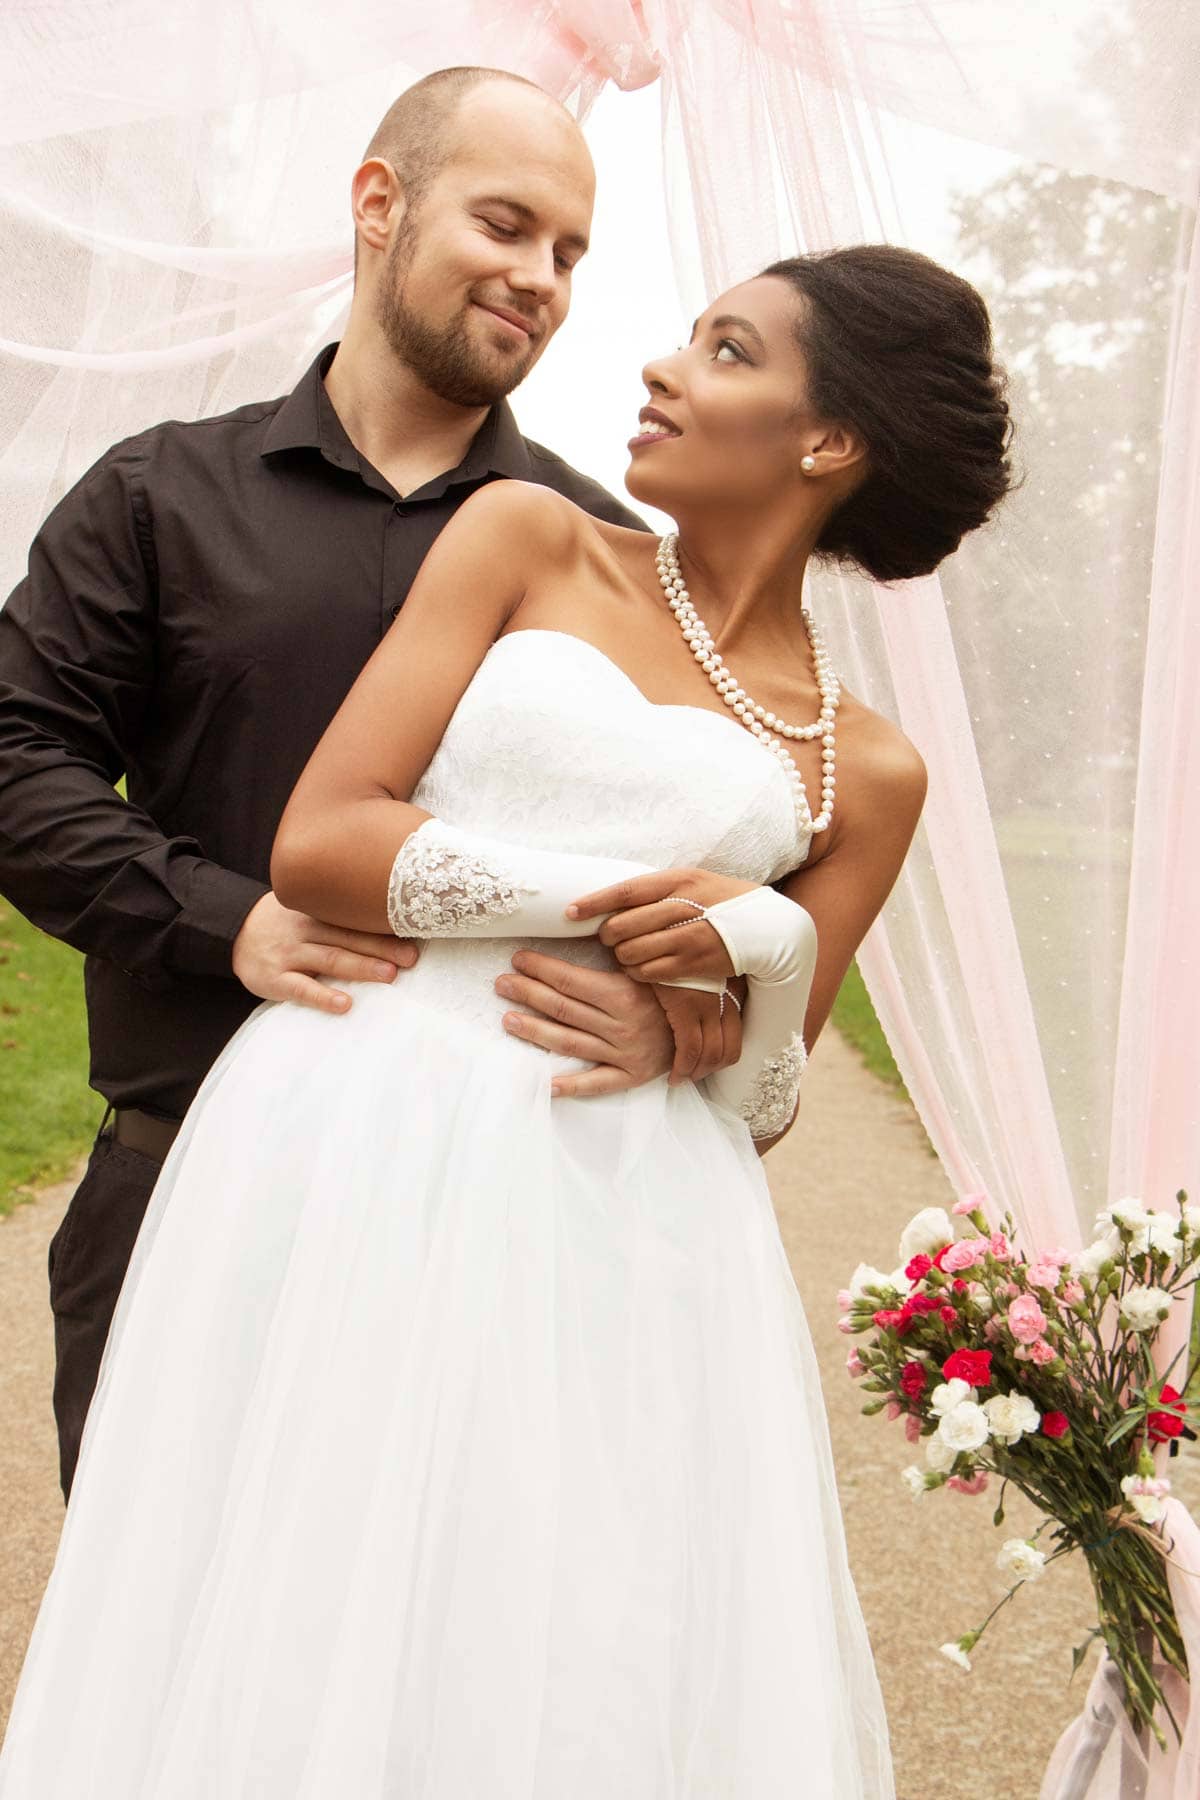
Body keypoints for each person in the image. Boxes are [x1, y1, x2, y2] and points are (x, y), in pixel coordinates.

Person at [0, 241, 1013, 1795]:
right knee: (298, 1583)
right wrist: (645, 907)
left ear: (832, 442)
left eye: (729, 351)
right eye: (686, 336)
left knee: (564, 1628)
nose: (664, 368)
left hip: (627, 1226)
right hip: (358, 1127)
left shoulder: (866, 770)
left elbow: (763, 1102)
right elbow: (328, 840)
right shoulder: (530, 536)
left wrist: (751, 956)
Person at [0, 66, 744, 1505]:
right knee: (158, 1681)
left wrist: (683, 1013)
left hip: (505, 1222)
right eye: (508, 225)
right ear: (378, 204)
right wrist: (228, 919)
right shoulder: (161, 496)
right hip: (183, 1179)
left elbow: (720, 842)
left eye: (571, 254)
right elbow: (14, 750)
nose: (540, 279)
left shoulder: (607, 552)